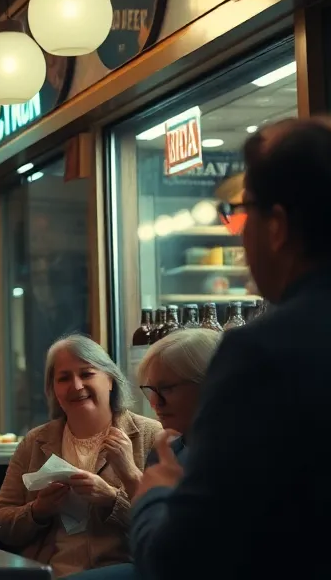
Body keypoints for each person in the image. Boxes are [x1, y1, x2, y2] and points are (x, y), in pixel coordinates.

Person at [131, 119, 331, 578]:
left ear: (277, 225)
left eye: (246, 214)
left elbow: (182, 559)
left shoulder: (262, 353)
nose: (240, 236)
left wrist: (157, 495)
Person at [0, 334, 160, 578]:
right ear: (53, 390)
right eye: (64, 378)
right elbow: (0, 524)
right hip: (48, 572)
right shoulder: (35, 442)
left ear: (110, 380)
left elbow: (168, 532)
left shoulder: (151, 436)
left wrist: (112, 499)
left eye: (87, 374)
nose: (77, 385)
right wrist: (38, 510)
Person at [69, 329, 220, 580]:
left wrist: (142, 486)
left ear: (208, 384)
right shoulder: (171, 448)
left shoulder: (231, 456)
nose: (154, 403)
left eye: (167, 389)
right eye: (150, 389)